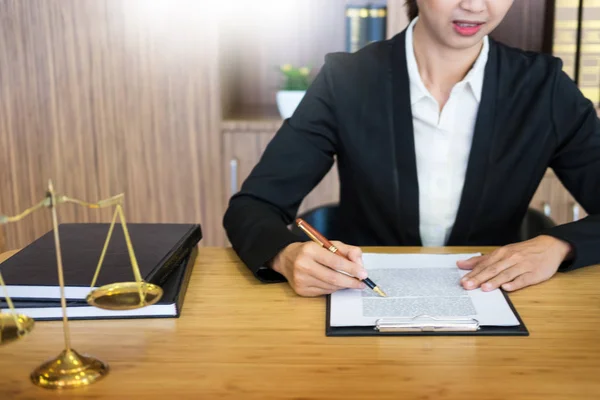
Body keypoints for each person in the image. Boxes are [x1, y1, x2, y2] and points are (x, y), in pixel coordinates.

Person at [223, 0, 600, 297]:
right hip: (366, 300)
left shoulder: (544, 89)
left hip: (493, 301)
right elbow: (253, 206)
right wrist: (286, 255)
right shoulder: (347, 80)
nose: (475, 6)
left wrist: (559, 245)